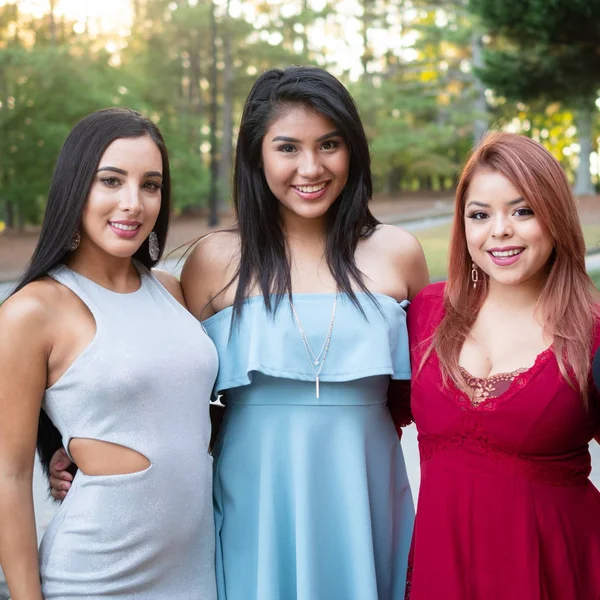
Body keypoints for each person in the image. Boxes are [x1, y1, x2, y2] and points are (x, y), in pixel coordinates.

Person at [181, 65, 428, 600]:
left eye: (329, 144)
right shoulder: (213, 259)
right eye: (287, 147)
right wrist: (63, 450)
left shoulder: (398, 252)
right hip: (257, 489)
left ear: (352, 151)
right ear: (257, 155)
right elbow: (161, 386)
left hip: (365, 486)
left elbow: (434, 393)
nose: (310, 167)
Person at [0, 108, 218, 599]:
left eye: (150, 185)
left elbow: (180, 415)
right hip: (96, 577)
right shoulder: (32, 310)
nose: (133, 203)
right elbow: (8, 477)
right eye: (111, 181)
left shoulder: (170, 290)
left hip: (196, 571)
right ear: (76, 188)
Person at [406, 132, 600, 599]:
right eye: (480, 214)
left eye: (523, 210)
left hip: (557, 574)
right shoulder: (425, 313)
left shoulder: (593, 331)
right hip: (442, 575)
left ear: (554, 216)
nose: (500, 231)